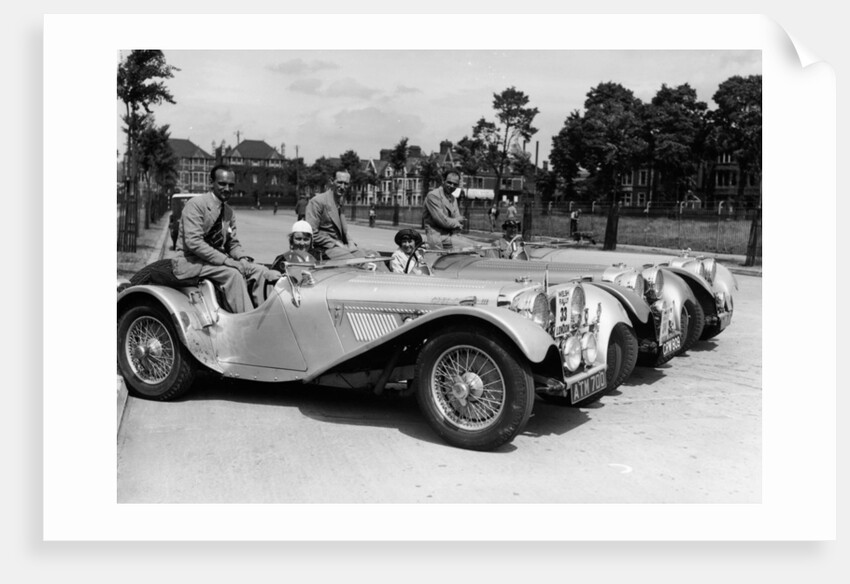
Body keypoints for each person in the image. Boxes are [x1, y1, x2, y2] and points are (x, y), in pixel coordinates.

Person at [171, 164, 281, 314]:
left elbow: (232, 243)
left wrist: (242, 258)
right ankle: (246, 323)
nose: (227, 188)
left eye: (231, 185)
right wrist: (227, 261)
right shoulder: (196, 205)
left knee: (260, 271)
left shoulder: (228, 212)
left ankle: (262, 317)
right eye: (222, 184)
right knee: (234, 274)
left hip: (214, 262)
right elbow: (193, 242)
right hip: (191, 261)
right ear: (211, 183)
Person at [305, 171, 386, 268]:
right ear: (332, 181)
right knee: (359, 263)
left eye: (346, 184)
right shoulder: (317, 202)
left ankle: (393, 280)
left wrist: (351, 243)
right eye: (339, 182)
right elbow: (311, 233)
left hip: (342, 247)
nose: (343, 187)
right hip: (325, 248)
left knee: (375, 256)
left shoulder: (339, 202)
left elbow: (344, 231)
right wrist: (336, 243)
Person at [422, 170, 477, 250]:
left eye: (455, 184)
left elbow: (457, 220)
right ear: (443, 181)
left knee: (478, 246)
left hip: (452, 236)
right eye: (449, 182)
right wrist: (457, 220)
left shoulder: (453, 198)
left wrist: (456, 222)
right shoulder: (433, 196)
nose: (452, 186)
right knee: (474, 248)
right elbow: (443, 221)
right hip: (438, 238)